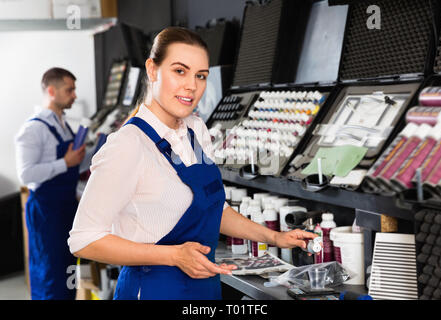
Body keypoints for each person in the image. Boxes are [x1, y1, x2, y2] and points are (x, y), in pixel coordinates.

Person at [68, 27, 317, 300]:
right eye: (179, 71)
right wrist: (173, 256)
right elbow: (84, 240)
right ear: (152, 70)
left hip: (204, 287)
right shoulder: (128, 145)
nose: (192, 85)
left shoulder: (195, 130)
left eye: (201, 76)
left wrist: (274, 237)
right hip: (153, 290)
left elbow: (211, 208)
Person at [15, 67, 90, 300]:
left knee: (67, 270)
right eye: (70, 89)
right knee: (50, 273)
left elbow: (72, 163)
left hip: (66, 207)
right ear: (51, 91)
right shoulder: (33, 129)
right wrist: (64, 162)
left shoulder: (63, 123)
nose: (75, 95)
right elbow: (25, 175)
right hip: (47, 211)